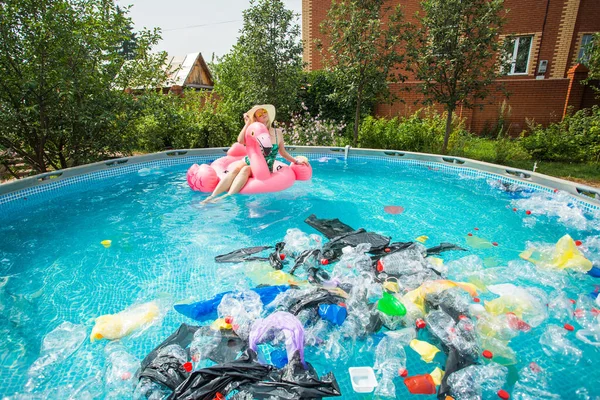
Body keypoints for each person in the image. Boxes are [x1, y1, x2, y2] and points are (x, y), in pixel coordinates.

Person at [201, 105, 308, 204]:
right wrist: (247, 123)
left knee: (245, 170)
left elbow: (282, 152)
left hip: (264, 165)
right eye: (260, 114)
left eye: (264, 111)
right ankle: (212, 196)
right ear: (256, 119)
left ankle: (227, 197)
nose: (264, 114)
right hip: (250, 160)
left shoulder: (277, 133)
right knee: (234, 170)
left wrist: (296, 161)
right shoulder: (255, 131)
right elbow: (240, 141)